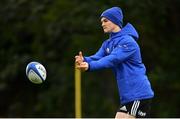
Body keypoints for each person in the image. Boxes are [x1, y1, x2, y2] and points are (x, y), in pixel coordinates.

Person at [75, 6, 154, 118]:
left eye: (105, 21)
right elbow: (97, 57)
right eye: (101, 21)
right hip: (129, 97)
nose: (102, 24)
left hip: (138, 94)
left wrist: (89, 66)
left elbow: (112, 59)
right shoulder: (107, 43)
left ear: (115, 21)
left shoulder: (128, 42)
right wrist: (84, 60)